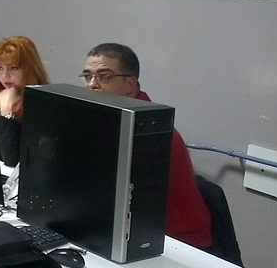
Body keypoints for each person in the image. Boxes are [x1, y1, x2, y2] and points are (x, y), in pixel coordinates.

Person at [82, 43, 212, 248]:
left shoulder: (149, 131)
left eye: (104, 76)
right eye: (87, 76)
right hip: (136, 234)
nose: (92, 85)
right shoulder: (112, 120)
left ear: (129, 85)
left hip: (178, 244)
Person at [0, 36, 50, 166]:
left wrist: (6, 115)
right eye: (0, 68)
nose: (5, 75)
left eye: (13, 68)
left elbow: (12, 160)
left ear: (30, 69)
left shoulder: (44, 107)